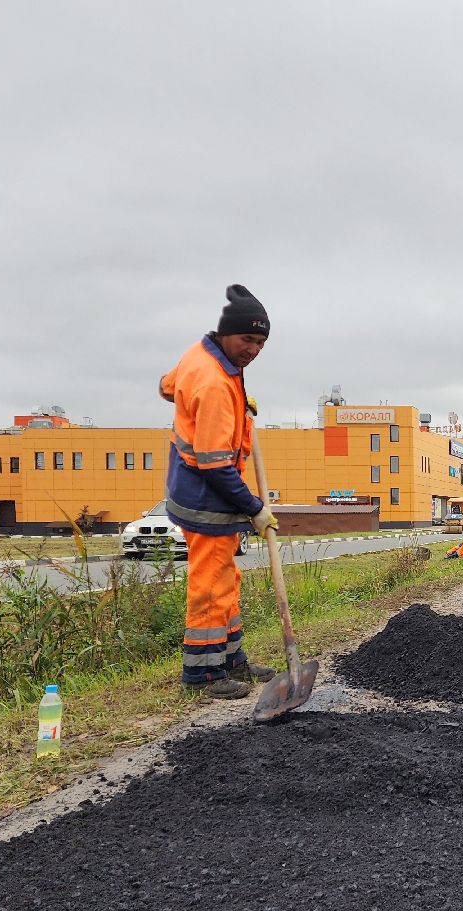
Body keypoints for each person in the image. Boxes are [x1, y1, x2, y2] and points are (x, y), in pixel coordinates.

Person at [158, 285, 280, 699]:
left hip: (203, 488)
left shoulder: (204, 355)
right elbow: (214, 464)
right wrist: (255, 508)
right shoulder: (212, 382)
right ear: (227, 333)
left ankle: (230, 659)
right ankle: (203, 673)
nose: (253, 350)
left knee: (227, 577)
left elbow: (167, 386)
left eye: (261, 343)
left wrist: (239, 402)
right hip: (204, 495)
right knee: (210, 583)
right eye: (247, 339)